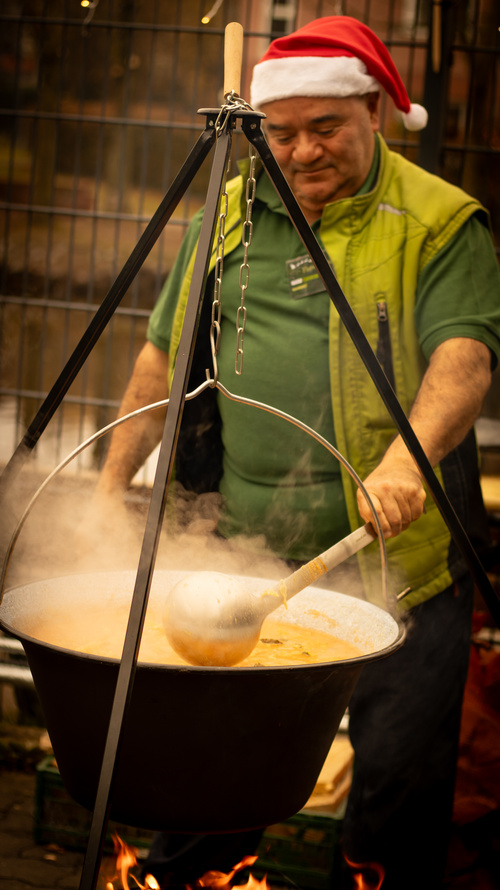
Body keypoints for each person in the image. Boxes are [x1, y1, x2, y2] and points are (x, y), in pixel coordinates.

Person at [96, 16, 500, 890]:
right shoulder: (232, 213)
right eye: (281, 134)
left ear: (376, 115)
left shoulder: (438, 221)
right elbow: (162, 358)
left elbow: (463, 358)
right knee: (216, 775)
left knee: (394, 788)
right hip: (252, 558)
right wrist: (104, 490)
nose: (303, 151)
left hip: (401, 564)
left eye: (327, 129)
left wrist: (406, 458)